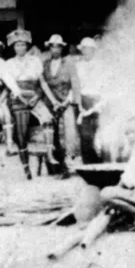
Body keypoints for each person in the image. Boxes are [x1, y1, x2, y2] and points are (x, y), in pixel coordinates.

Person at [6, 29, 57, 180]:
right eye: (17, 45)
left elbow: (42, 83)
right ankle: (26, 167)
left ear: (27, 46)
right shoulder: (9, 63)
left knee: (48, 119)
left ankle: (50, 154)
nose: (20, 48)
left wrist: (39, 97)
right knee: (21, 132)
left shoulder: (35, 61)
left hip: (34, 96)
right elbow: (10, 86)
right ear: (13, 47)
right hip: (18, 98)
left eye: (23, 45)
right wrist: (21, 98)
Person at [41, 34, 80, 170]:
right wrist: (53, 102)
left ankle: (70, 157)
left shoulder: (69, 63)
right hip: (50, 101)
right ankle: (55, 160)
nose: (55, 50)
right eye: (53, 47)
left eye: (58, 47)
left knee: (70, 128)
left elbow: (74, 83)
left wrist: (67, 101)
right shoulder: (45, 64)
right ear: (49, 48)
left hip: (65, 100)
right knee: (51, 130)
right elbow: (43, 84)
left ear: (62, 49)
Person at [73, 37, 107, 164]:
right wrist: (78, 102)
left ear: (93, 50)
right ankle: (88, 163)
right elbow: (75, 85)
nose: (86, 51)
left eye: (88, 48)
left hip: (98, 100)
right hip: (83, 100)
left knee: (99, 131)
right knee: (85, 134)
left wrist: (101, 101)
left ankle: (101, 162)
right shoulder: (78, 66)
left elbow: (105, 84)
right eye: (83, 49)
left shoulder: (101, 65)